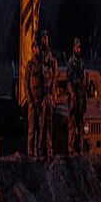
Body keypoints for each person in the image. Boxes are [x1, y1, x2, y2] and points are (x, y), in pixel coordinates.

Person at [38, 30, 58, 158]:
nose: (45, 40)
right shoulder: (39, 56)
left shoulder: (51, 57)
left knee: (49, 124)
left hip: (49, 96)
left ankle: (49, 150)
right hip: (41, 96)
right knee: (41, 124)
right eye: (43, 38)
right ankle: (40, 149)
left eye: (47, 38)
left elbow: (55, 75)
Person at [66, 37, 87, 156]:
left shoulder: (81, 63)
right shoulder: (71, 63)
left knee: (81, 124)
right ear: (73, 48)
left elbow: (84, 78)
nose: (78, 49)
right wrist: (72, 93)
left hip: (80, 96)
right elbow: (68, 80)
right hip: (74, 97)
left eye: (79, 47)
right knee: (72, 125)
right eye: (76, 47)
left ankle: (80, 148)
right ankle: (71, 148)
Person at [24, 41, 45, 158]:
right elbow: (26, 83)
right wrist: (29, 100)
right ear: (32, 50)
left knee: (40, 128)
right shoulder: (29, 65)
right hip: (32, 101)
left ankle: (38, 151)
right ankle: (30, 152)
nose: (36, 50)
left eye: (37, 48)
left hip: (40, 100)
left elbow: (44, 83)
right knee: (32, 128)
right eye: (35, 48)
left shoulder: (41, 66)